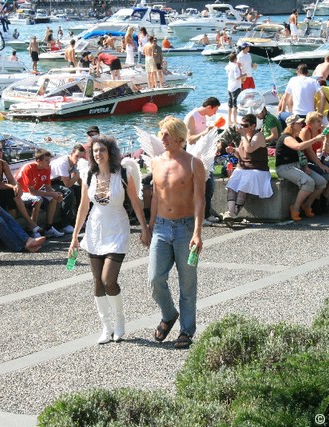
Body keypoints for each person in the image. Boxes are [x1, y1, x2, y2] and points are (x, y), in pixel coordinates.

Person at [68, 136, 149, 344]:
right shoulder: (89, 175)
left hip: (117, 228)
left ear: (109, 152)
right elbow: (83, 206)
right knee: (97, 282)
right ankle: (106, 326)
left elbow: (135, 201)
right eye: (95, 151)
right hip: (95, 229)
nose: (98, 154)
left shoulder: (123, 173)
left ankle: (120, 320)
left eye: (102, 150)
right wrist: (74, 237)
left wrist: (144, 228)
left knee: (108, 280)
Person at [149, 116, 205, 350]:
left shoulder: (194, 163)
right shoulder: (156, 162)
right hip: (161, 227)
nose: (162, 138)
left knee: (187, 283)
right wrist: (149, 227)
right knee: (154, 279)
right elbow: (154, 196)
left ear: (179, 137)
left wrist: (197, 232)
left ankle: (186, 330)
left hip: (184, 229)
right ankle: (169, 313)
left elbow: (200, 200)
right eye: (161, 134)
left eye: (166, 134)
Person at [275, 115, 327, 221]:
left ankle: (307, 205)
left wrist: (305, 166)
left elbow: (301, 155)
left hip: (298, 165)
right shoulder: (286, 137)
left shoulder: (297, 138)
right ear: (291, 125)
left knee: (321, 182)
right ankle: (295, 208)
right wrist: (315, 139)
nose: (301, 125)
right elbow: (298, 147)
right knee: (308, 182)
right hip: (285, 167)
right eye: (298, 123)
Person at [222, 114, 272, 221]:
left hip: (257, 169)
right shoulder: (244, 137)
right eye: (241, 125)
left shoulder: (258, 136)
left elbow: (249, 149)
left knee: (242, 186)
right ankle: (230, 212)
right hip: (244, 168)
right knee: (232, 186)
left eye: (245, 125)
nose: (243, 127)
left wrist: (243, 135)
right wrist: (233, 151)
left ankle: (234, 212)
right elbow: (243, 155)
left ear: (253, 126)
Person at [0, 141, 42, 237]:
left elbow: (11, 179)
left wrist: (16, 186)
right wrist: (13, 186)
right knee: (12, 194)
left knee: (14, 202)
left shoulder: (3, 163)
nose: (0, 153)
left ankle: (25, 226)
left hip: (2, 191)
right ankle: (30, 223)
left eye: (1, 150)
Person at [185, 96, 221, 225]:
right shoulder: (192, 116)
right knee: (202, 188)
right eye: (215, 110)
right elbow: (189, 139)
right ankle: (200, 217)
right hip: (194, 156)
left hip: (205, 156)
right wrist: (206, 132)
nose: (215, 113)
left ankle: (206, 214)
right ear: (209, 107)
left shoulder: (205, 117)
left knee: (210, 186)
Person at [15, 149, 66, 238]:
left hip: (33, 191)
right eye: (46, 161)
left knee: (53, 199)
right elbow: (32, 191)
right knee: (38, 200)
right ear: (39, 161)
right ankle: (32, 229)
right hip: (22, 192)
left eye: (49, 160)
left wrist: (55, 194)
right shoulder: (29, 168)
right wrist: (51, 194)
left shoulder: (46, 168)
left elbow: (48, 186)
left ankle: (48, 228)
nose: (49, 163)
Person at [50, 144, 85, 234]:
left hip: (60, 181)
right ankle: (65, 223)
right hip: (50, 183)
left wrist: (84, 188)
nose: (78, 159)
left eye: (81, 157)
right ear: (71, 154)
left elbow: (78, 181)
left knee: (79, 190)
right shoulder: (63, 163)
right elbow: (68, 184)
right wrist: (77, 175)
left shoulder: (76, 163)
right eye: (77, 156)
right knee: (68, 192)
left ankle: (79, 218)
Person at [225, 52, 245, 125]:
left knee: (230, 105)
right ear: (235, 59)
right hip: (236, 87)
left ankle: (229, 120)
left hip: (229, 86)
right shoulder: (235, 66)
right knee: (235, 105)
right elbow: (237, 78)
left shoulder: (228, 66)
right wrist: (244, 75)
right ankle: (235, 121)